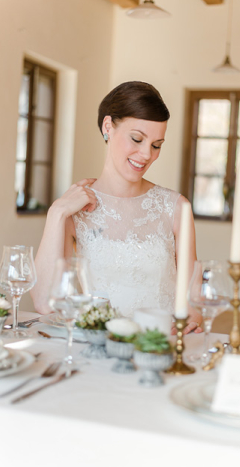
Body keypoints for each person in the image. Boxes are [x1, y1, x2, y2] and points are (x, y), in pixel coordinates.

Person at [32, 81, 202, 334]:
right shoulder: (74, 211)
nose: (146, 154)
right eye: (137, 139)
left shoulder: (176, 208)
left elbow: (194, 301)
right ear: (108, 126)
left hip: (158, 348)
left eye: (156, 145)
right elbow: (44, 303)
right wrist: (56, 212)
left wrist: (193, 321)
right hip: (99, 348)